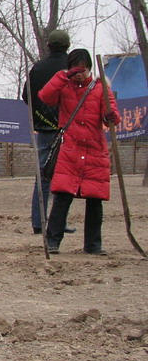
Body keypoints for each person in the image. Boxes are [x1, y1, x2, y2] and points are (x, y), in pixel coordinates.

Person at [37, 48, 118, 255]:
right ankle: (53, 241)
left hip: (94, 149)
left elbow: (113, 117)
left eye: (82, 69)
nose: (79, 73)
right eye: (75, 69)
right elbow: (45, 96)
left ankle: (93, 245)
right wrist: (63, 76)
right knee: (62, 196)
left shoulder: (101, 89)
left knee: (95, 199)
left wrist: (111, 117)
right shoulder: (64, 86)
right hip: (70, 149)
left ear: (90, 68)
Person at [24, 29, 73, 235]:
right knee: (64, 176)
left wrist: (40, 114)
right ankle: (57, 223)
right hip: (68, 128)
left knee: (43, 175)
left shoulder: (38, 68)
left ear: (49, 46)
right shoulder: (71, 69)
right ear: (67, 46)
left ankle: (38, 221)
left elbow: (26, 96)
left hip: (43, 128)